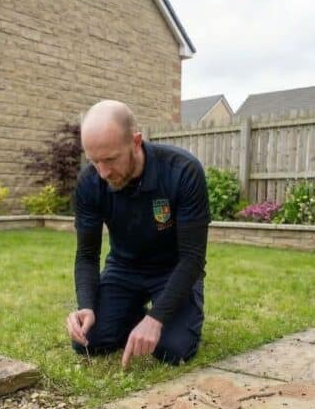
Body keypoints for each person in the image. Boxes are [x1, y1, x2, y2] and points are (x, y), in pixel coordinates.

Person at [65, 100, 210, 368]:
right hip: (123, 269)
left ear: (136, 141)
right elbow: (87, 255)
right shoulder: (90, 182)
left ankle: (168, 317)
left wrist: (156, 320)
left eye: (110, 159)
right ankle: (132, 316)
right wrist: (86, 305)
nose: (103, 172)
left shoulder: (183, 172)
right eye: (94, 161)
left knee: (172, 350)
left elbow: (193, 257)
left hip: (173, 270)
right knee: (88, 341)